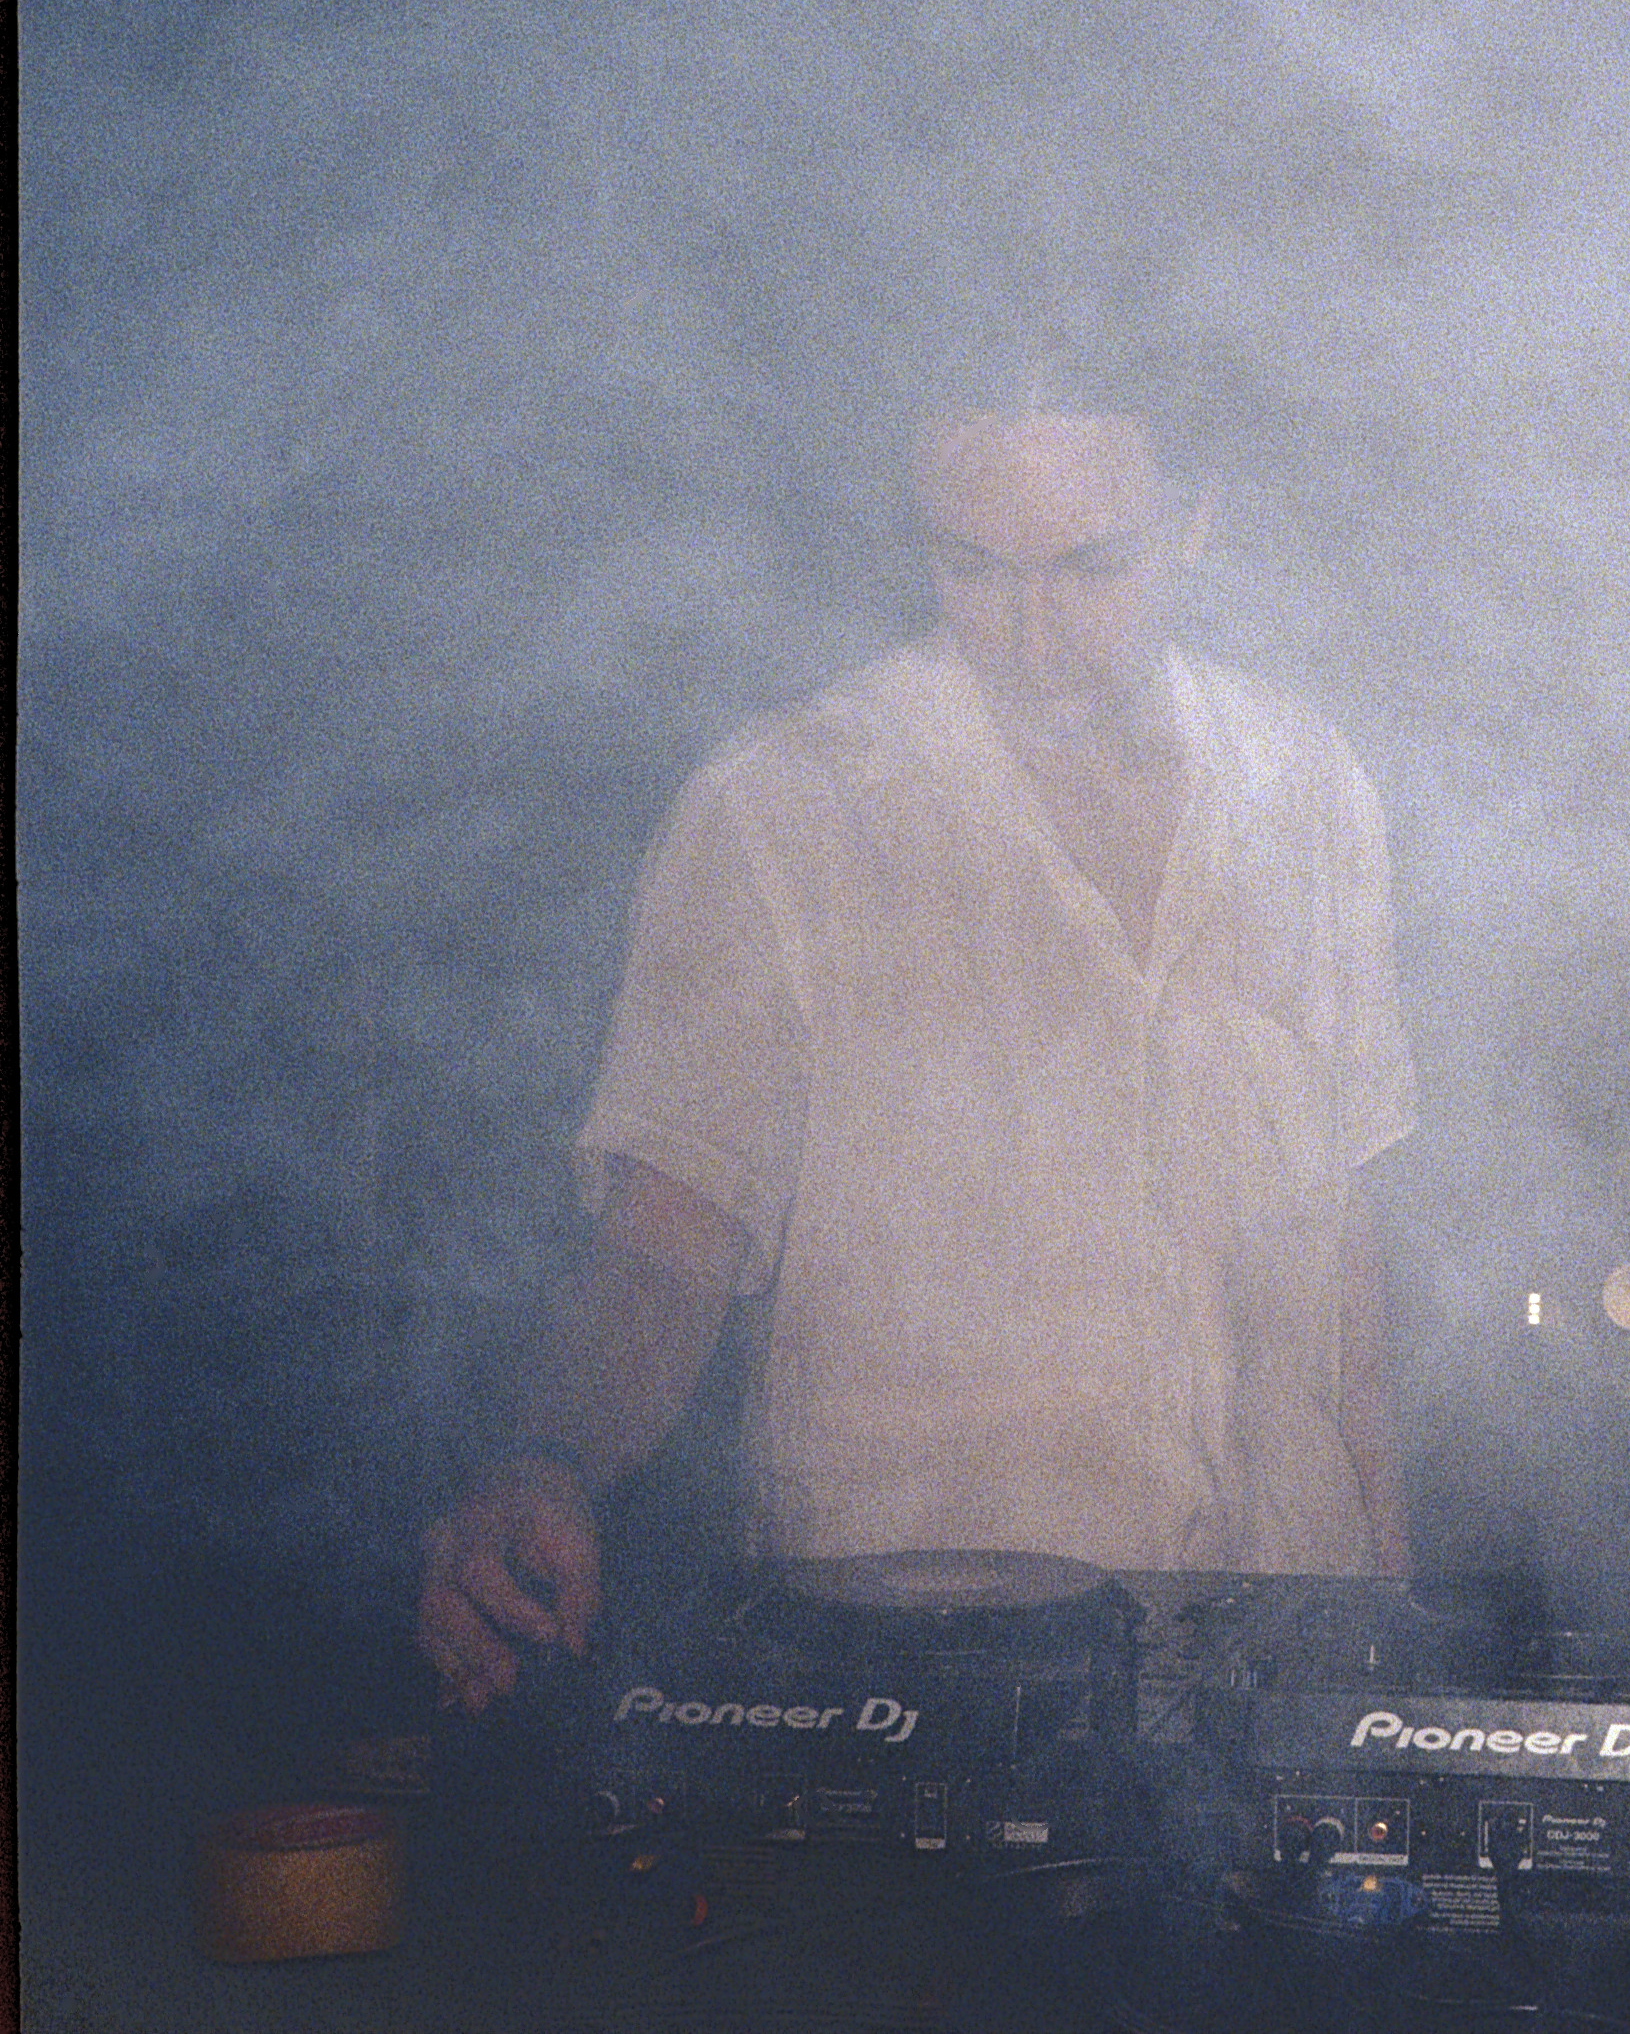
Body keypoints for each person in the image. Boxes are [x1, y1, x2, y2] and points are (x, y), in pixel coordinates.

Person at [420, 394, 1415, 1713]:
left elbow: (1348, 1272)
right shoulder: (780, 810)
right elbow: (666, 1242)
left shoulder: (1307, 784)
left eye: (1091, 568)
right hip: (912, 1672)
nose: (1032, 637)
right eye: (973, 570)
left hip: (1287, 1653)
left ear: (1196, 522)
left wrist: (1397, 1638)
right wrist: (549, 1459)